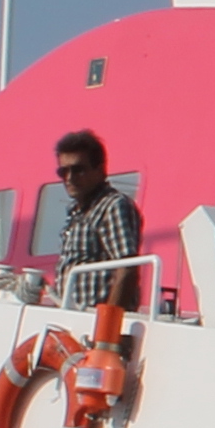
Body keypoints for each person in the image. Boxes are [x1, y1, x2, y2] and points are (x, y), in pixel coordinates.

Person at [50, 129, 143, 310]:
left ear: (101, 170)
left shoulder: (113, 206)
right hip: (75, 318)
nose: (69, 178)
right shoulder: (77, 212)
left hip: (95, 322)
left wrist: (107, 327)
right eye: (63, 171)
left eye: (78, 170)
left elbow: (127, 268)